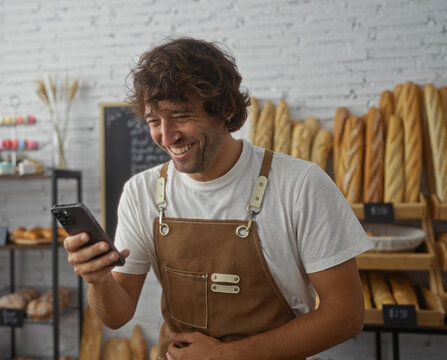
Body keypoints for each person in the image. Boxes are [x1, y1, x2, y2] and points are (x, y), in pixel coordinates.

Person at [64, 37, 373, 360]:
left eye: (181, 116)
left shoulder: (301, 185)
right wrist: (97, 279)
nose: (166, 137)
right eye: (154, 121)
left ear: (225, 107)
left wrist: (230, 355)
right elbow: (116, 316)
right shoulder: (141, 192)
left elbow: (346, 315)